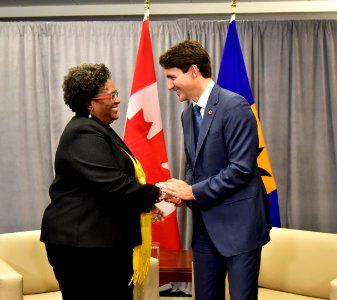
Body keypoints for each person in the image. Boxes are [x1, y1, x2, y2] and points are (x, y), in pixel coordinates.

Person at [40, 63, 165, 300]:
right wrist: (157, 193)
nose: (117, 100)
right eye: (112, 95)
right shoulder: (83, 132)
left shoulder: (97, 129)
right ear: (90, 102)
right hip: (82, 249)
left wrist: (144, 203)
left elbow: (106, 186)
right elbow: (112, 183)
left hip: (101, 243)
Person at [157, 40, 271, 300]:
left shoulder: (235, 106)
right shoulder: (188, 115)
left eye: (173, 77)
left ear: (194, 71)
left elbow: (241, 169)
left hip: (240, 226)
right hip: (205, 228)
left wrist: (192, 191)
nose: (169, 85)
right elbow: (193, 166)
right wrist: (181, 191)